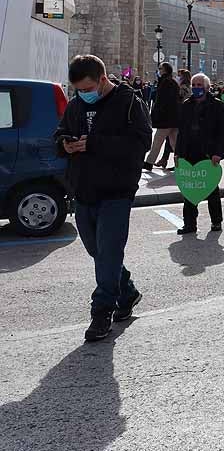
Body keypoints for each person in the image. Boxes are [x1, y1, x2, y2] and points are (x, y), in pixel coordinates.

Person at [54, 55, 152, 341]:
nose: (84, 94)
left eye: (87, 88)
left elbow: (141, 142)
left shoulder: (129, 102)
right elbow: (59, 134)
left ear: (102, 79)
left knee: (108, 252)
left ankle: (101, 314)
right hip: (83, 191)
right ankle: (128, 291)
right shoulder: (76, 105)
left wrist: (94, 144)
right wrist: (65, 145)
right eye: (78, 90)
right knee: (97, 251)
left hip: (117, 192)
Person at [174, 73, 224, 234]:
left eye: (199, 85)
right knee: (189, 188)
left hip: (208, 153)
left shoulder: (217, 106)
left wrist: (218, 152)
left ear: (206, 87)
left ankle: (216, 221)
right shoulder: (186, 105)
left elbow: (223, 132)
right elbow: (181, 132)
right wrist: (177, 153)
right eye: (194, 85)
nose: (196, 88)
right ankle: (189, 224)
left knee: (211, 189)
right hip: (188, 152)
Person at [144, 62, 180, 171]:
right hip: (173, 117)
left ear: (165, 70)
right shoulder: (172, 81)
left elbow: (162, 101)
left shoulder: (166, 82)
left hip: (166, 118)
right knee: (175, 143)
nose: (159, 70)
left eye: (160, 69)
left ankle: (149, 163)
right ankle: (181, 163)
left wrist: (157, 113)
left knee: (158, 141)